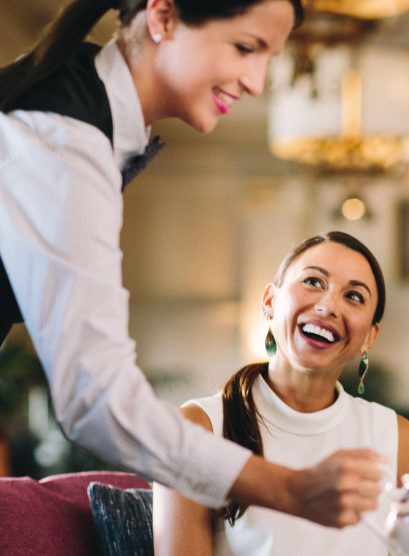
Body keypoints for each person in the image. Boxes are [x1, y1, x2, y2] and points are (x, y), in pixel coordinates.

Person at [0, 0, 384, 528]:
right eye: (245, 48)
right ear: (162, 17)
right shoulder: (63, 137)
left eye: (269, 57)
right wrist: (289, 488)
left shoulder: (79, 107)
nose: (256, 82)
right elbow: (96, 399)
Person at [152, 231, 409, 556]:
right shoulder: (199, 428)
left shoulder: (397, 437)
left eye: (353, 295)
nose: (328, 305)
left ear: (370, 336)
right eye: (313, 282)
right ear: (270, 301)